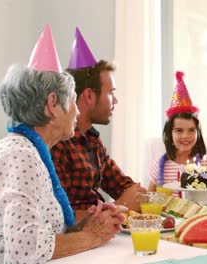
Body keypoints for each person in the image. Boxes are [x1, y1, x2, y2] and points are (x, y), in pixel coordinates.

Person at [0, 25, 122, 263]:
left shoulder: (30, 151)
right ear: (53, 104)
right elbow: (25, 251)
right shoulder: (20, 157)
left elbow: (42, 234)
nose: (78, 110)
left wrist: (85, 226)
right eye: (72, 101)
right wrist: (92, 236)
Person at [51, 27, 145, 219]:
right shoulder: (58, 143)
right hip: (81, 239)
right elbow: (61, 218)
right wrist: (119, 206)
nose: (115, 101)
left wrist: (136, 195)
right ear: (89, 96)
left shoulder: (93, 141)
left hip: (101, 231)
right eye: (111, 93)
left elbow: (125, 186)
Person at [148, 71, 207, 192]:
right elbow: (149, 198)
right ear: (170, 133)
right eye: (179, 130)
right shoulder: (160, 165)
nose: (185, 136)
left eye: (191, 130)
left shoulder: (206, 164)